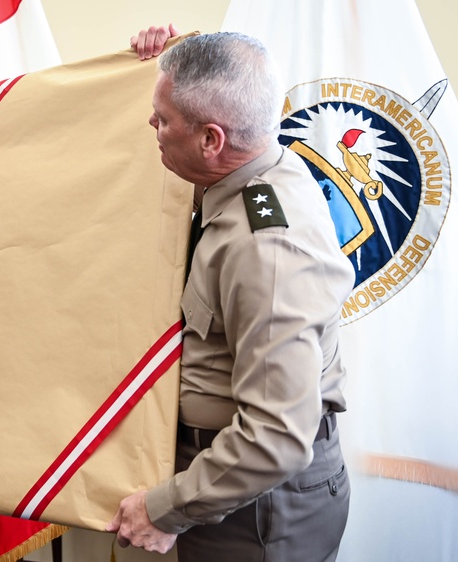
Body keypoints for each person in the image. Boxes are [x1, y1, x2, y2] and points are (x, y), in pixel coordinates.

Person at [106, 28, 355, 561]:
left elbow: (274, 438)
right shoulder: (254, 170)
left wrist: (165, 508)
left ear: (211, 140)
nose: (151, 125)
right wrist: (167, 61)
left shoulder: (265, 250)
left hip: (255, 511)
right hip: (234, 489)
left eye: (161, 118)